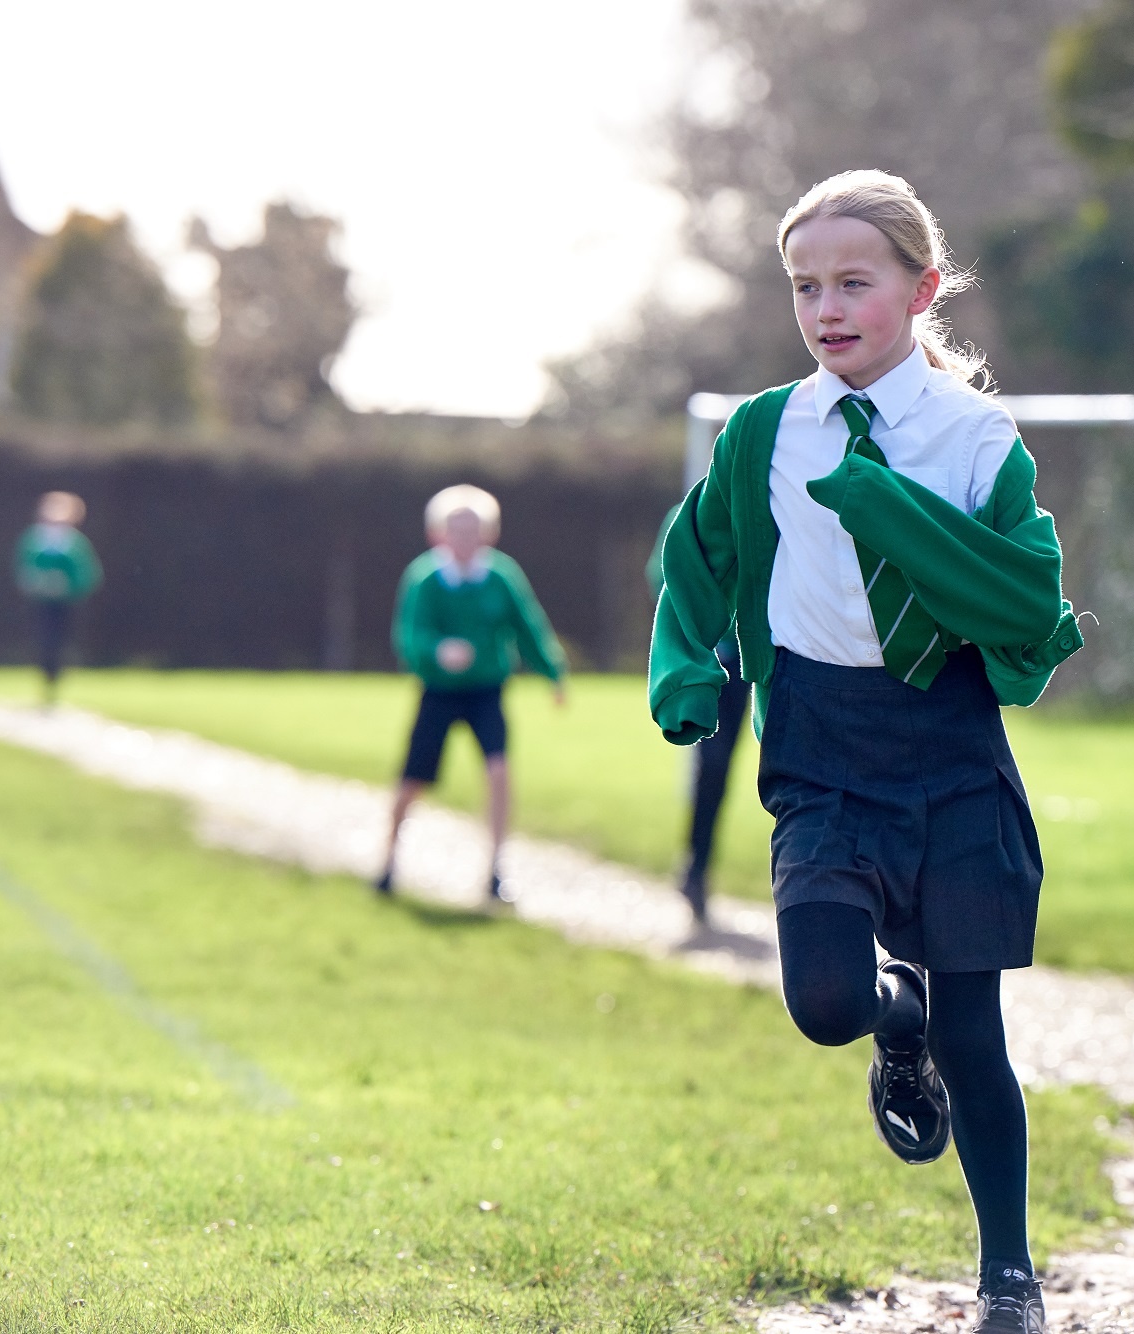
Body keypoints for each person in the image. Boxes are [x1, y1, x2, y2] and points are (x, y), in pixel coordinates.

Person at [648, 170, 1083, 1333]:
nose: (825, 308)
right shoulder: (765, 431)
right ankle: (897, 1028)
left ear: (920, 287)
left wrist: (882, 505)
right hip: (821, 745)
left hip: (944, 742)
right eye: (804, 286)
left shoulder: (975, 436)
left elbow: (1024, 599)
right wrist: (688, 671)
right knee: (826, 998)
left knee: (976, 1035)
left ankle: (1008, 1273)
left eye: (853, 282)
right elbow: (695, 560)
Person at [377, 485, 567, 903]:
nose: (464, 539)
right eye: (456, 530)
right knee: (413, 779)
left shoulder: (501, 576)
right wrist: (438, 651)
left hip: (486, 690)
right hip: (439, 693)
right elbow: (408, 636)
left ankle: (496, 869)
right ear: (438, 534)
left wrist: (553, 672)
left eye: (473, 530)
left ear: (489, 534)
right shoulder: (425, 579)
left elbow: (527, 626)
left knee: (498, 771)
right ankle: (388, 861)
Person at [646, 509, 752, 926]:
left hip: (768, 667)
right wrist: (703, 631)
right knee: (712, 768)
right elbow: (662, 574)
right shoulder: (690, 511)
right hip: (712, 667)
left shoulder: (775, 499)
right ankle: (696, 870)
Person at [14, 491, 103, 702]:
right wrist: (38, 583)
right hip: (40, 602)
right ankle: (44, 677)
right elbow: (24, 568)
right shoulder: (35, 539)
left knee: (60, 643)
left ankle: (55, 680)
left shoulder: (74, 542)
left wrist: (66, 586)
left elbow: (87, 573)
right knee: (43, 641)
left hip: (65, 603)